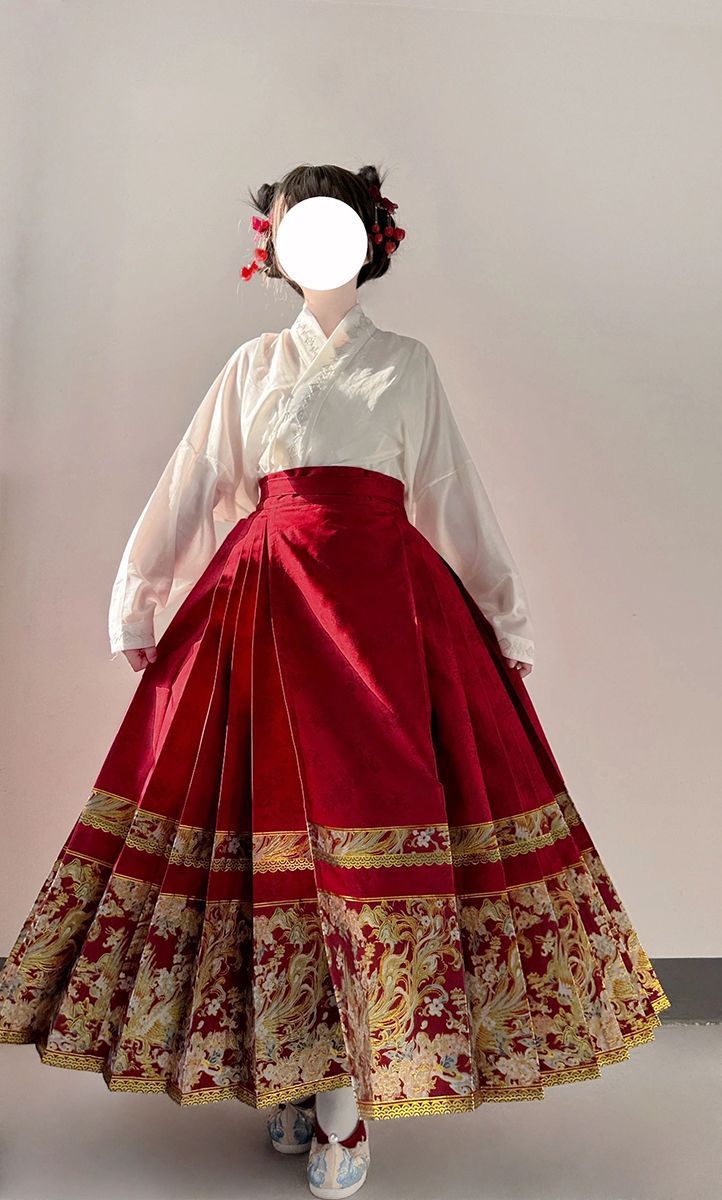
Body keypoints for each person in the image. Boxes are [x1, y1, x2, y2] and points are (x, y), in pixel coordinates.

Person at [0, 162, 670, 1200]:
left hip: (382, 621)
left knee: (362, 845)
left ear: (366, 239)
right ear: (272, 248)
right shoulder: (254, 364)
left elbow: (447, 490)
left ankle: (345, 1113)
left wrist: (502, 614)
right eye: (289, 228)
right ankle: (294, 1072)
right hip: (266, 611)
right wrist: (141, 598)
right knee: (265, 847)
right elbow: (197, 477)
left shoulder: (405, 365)